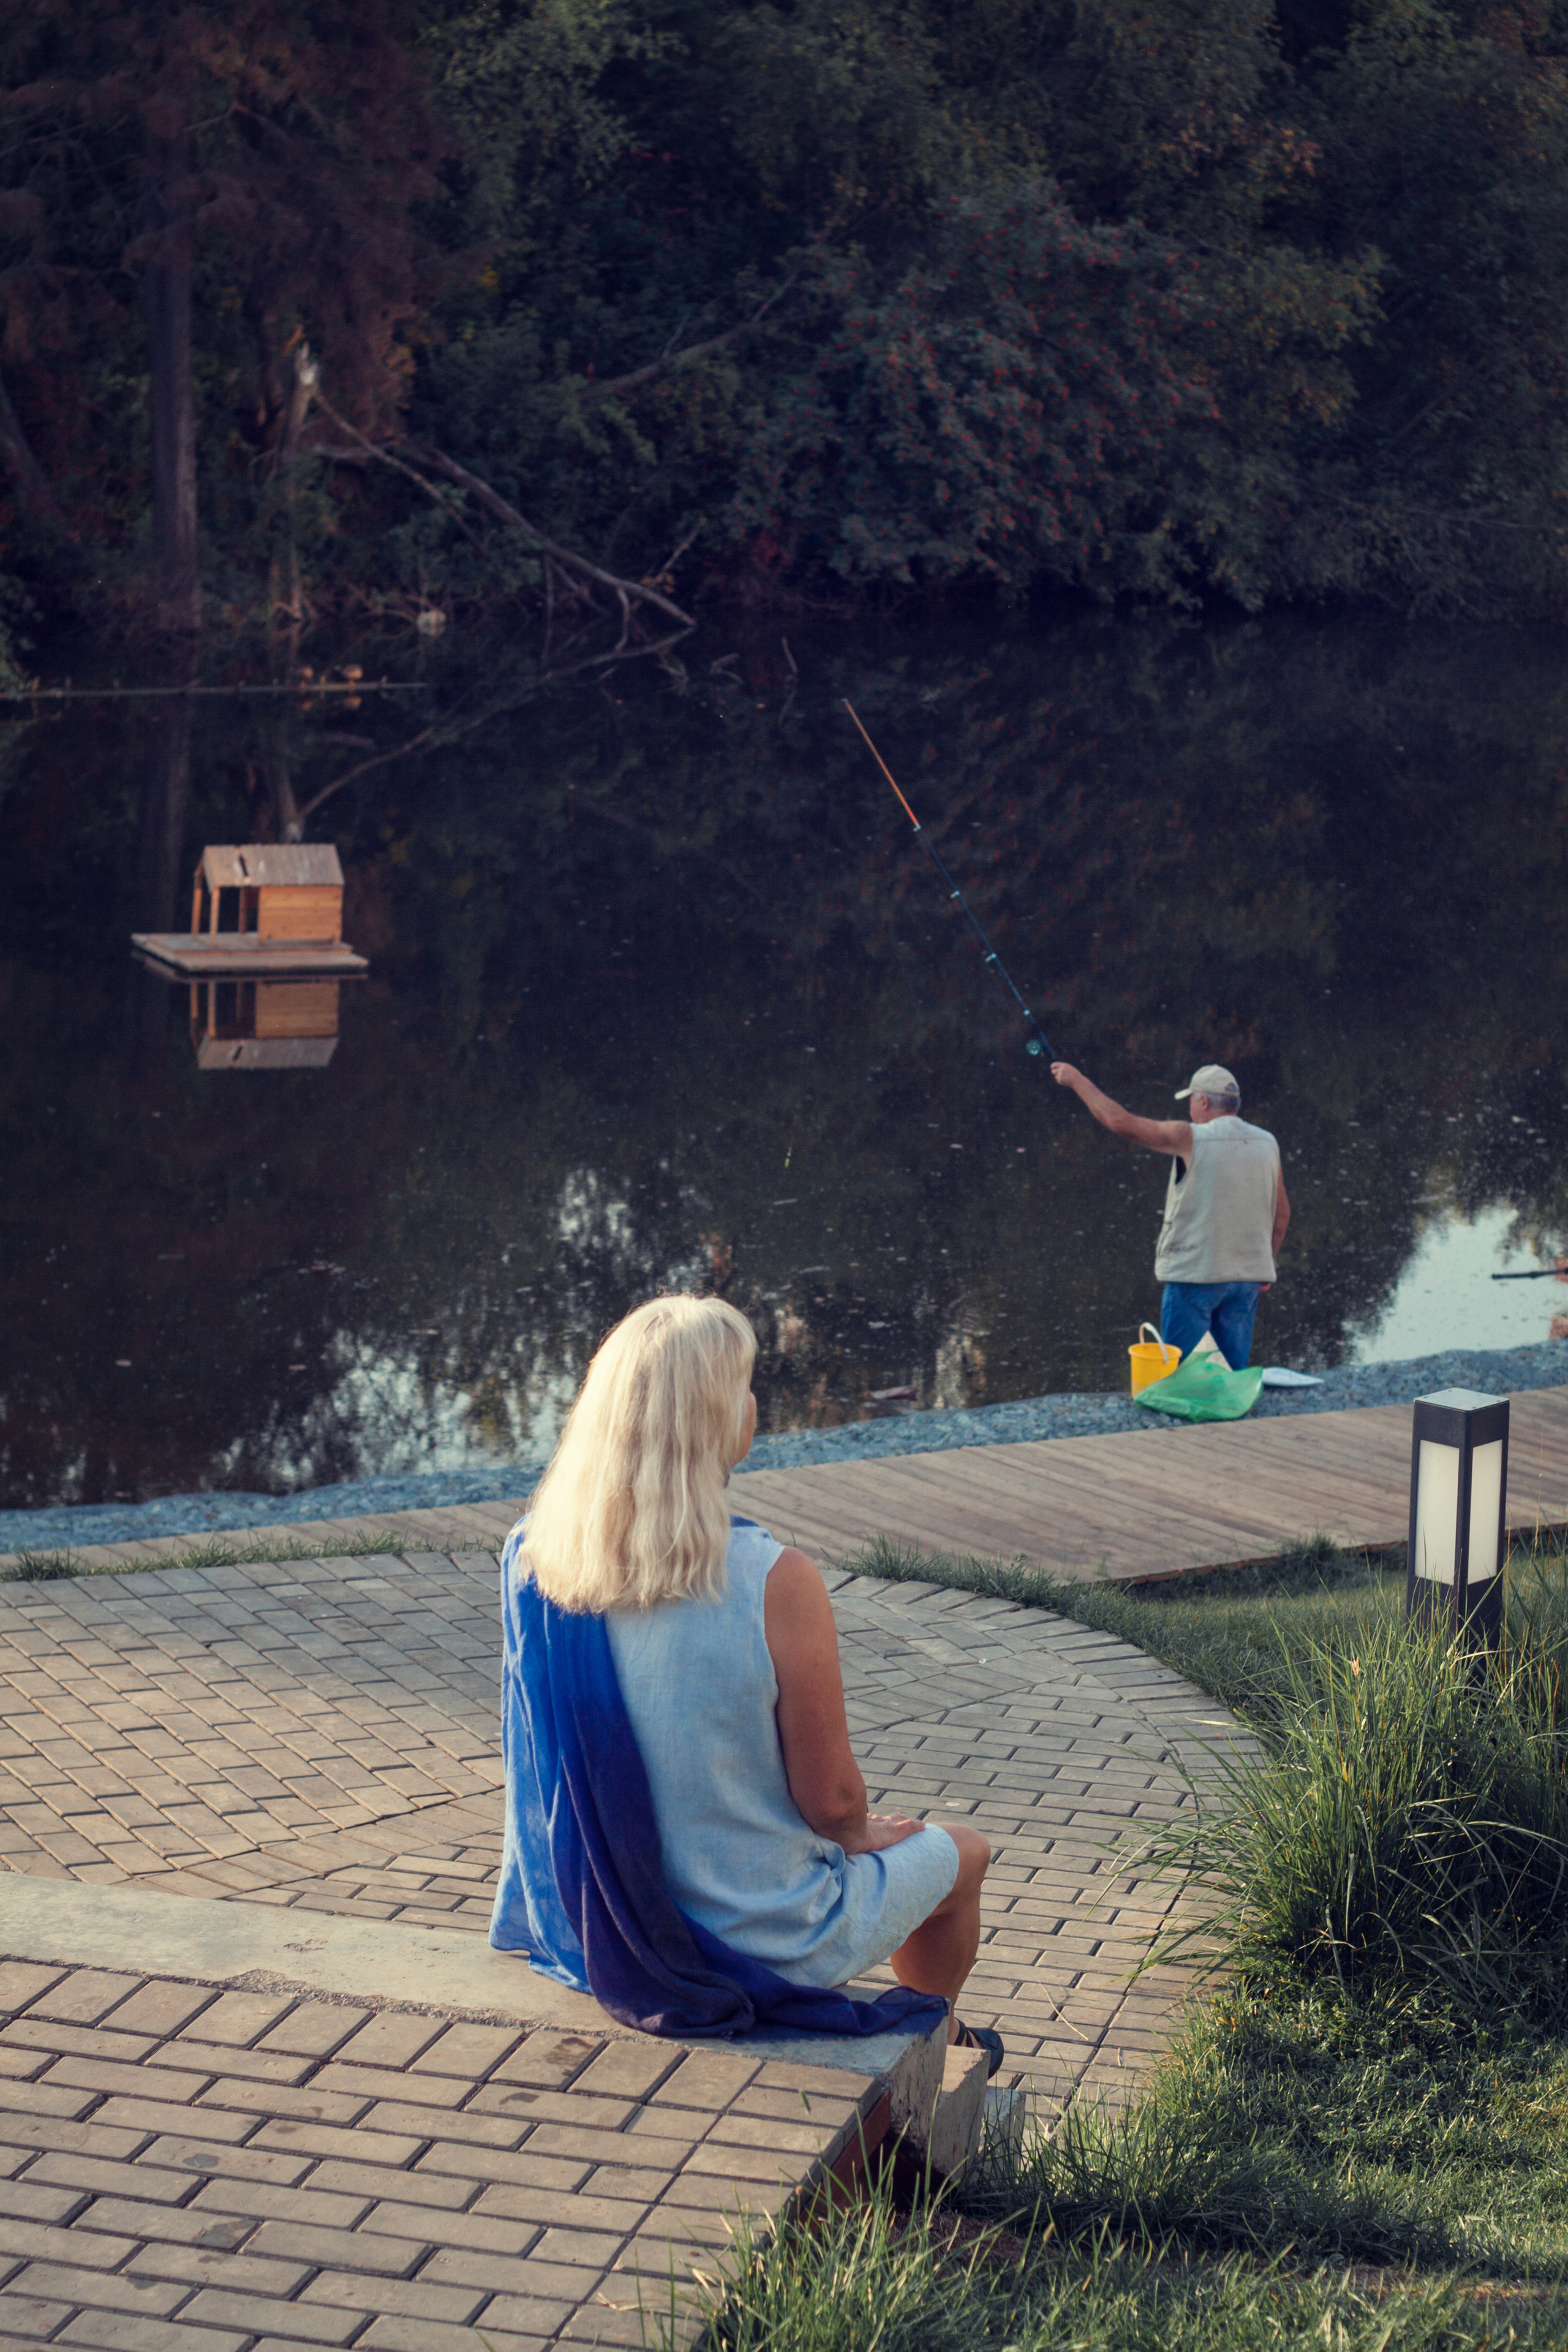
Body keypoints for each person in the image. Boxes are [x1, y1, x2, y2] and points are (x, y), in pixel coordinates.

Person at [489, 1294, 1000, 2067]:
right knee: (962, 1851)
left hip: (597, 1917)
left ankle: (936, 2040)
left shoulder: (534, 1557)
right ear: (721, 1419)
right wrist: (865, 1834)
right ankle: (931, 2045)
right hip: (763, 1933)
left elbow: (531, 1753)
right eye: (746, 1388)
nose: (756, 1404)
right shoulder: (773, 1578)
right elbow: (830, 1804)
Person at [1050, 1059, 1289, 1370]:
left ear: (1203, 1101)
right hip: (1247, 1280)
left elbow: (1121, 1122)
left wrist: (1078, 1080)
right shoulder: (1267, 1142)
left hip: (1195, 1277)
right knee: (1232, 1377)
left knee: (1182, 1376)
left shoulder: (1189, 1136)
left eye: (1191, 1100)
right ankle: (1233, 1419)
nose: (1190, 1109)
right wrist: (1266, 1262)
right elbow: (1281, 1214)